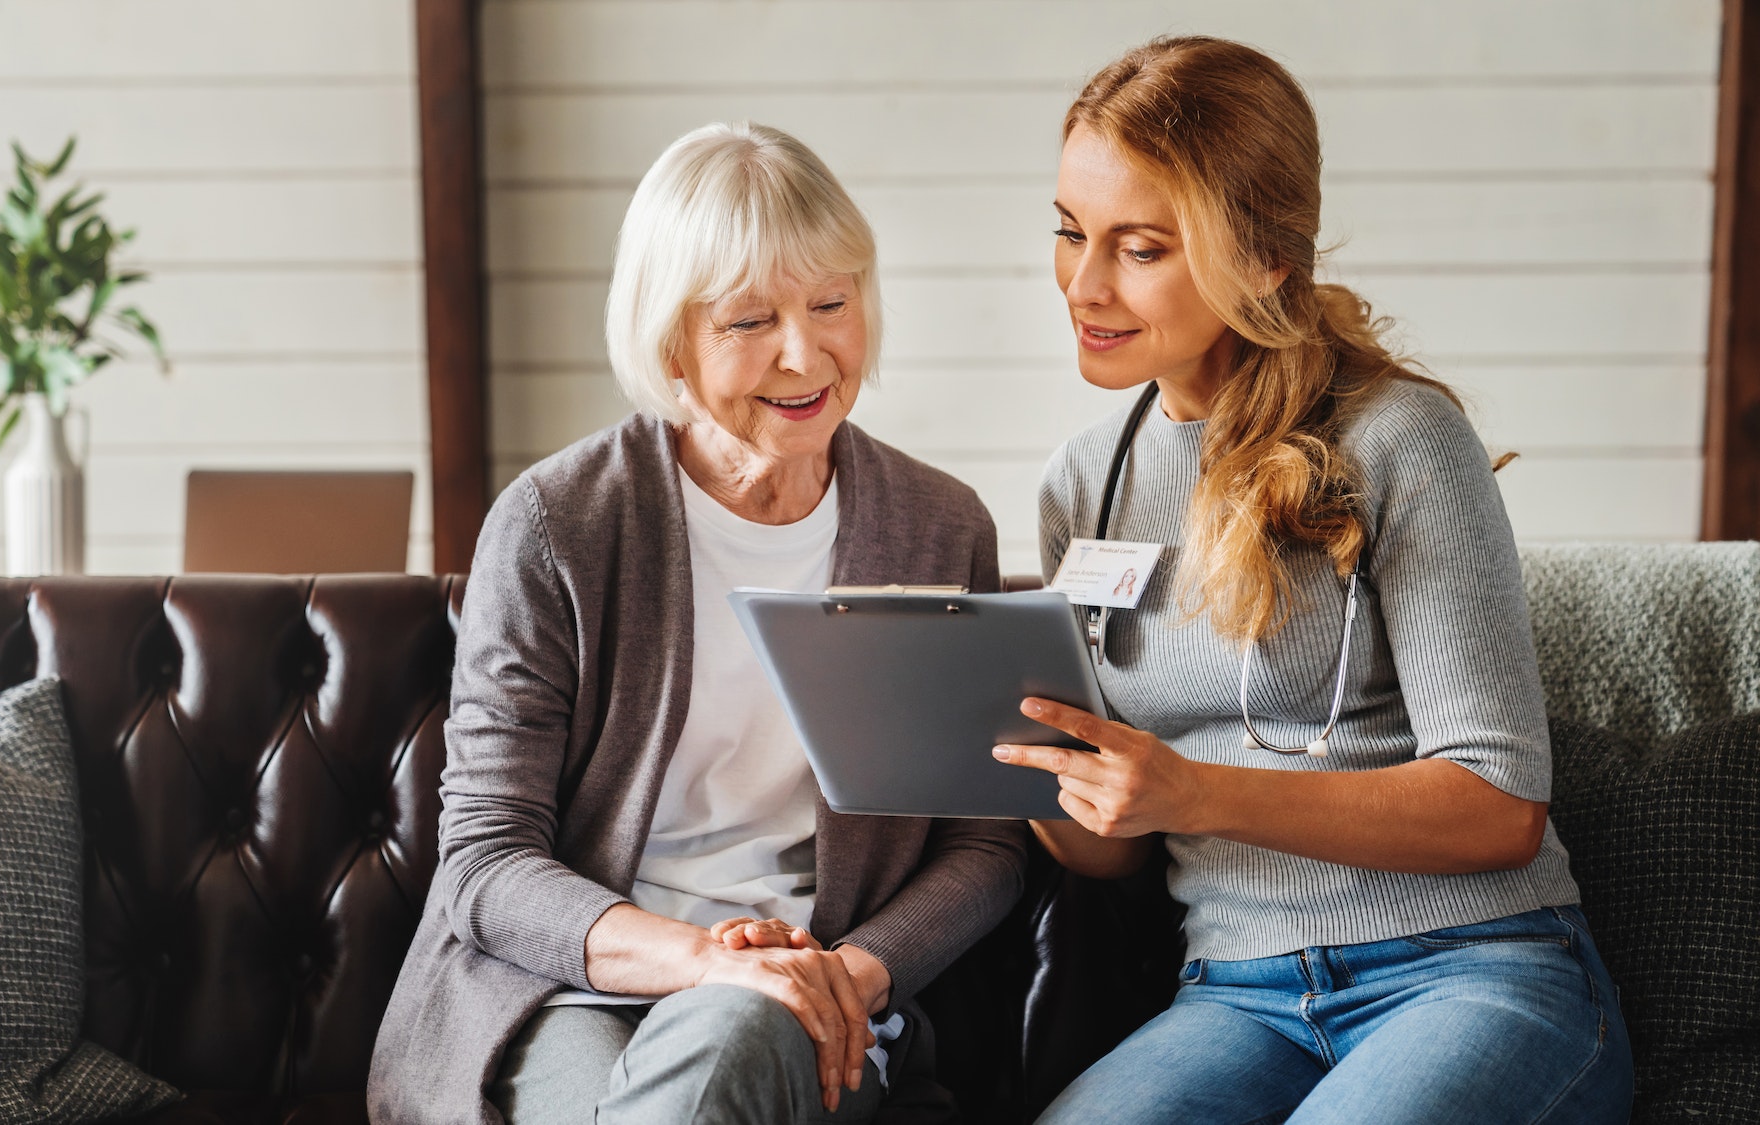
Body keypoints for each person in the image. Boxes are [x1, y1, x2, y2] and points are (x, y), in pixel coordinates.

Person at [990, 37, 1632, 1124]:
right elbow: (1108, 857)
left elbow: (1497, 810)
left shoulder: (1398, 440)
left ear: (1263, 257)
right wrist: (1007, 764)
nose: (1082, 285)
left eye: (1139, 247)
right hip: (1233, 996)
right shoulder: (1082, 481)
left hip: (1471, 971)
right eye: (1067, 232)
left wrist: (1192, 791)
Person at [369, 121, 1025, 1125]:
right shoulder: (557, 523)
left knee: (736, 1044)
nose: (804, 354)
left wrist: (850, 972)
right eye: (748, 320)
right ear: (669, 335)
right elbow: (486, 860)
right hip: (572, 989)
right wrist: (704, 962)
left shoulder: (936, 528)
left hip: (825, 996)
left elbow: (981, 844)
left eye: (830, 304)